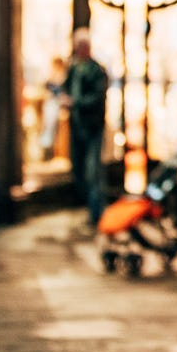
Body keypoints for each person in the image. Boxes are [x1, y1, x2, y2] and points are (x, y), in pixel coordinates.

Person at [62, 28, 108, 229]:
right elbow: (66, 87)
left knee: (93, 171)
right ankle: (90, 207)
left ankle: (97, 212)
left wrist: (75, 102)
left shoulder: (96, 71)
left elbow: (97, 98)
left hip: (92, 128)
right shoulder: (73, 68)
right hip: (77, 126)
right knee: (79, 170)